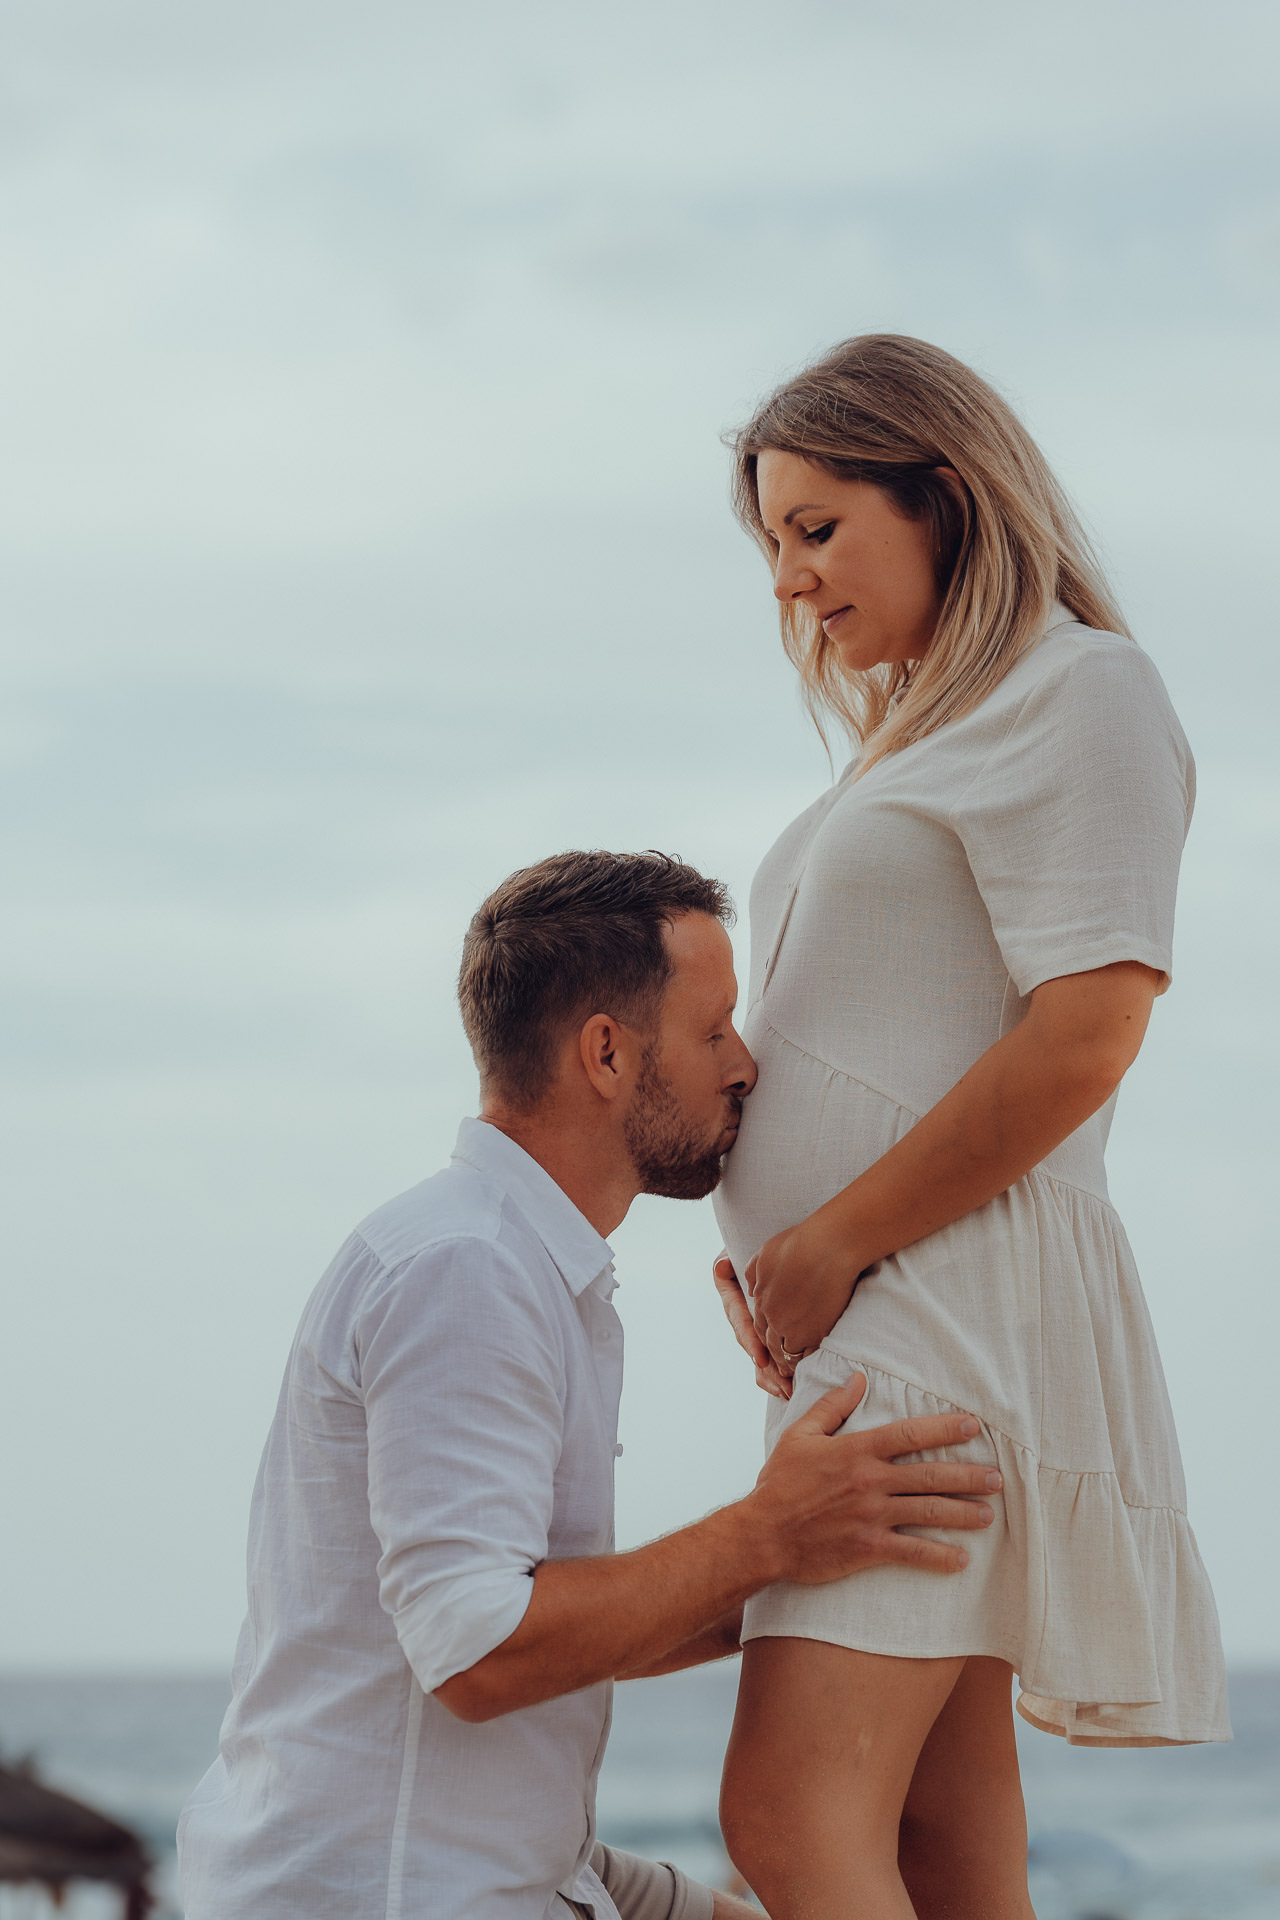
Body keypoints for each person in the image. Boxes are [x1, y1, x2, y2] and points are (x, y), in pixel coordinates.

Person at [177, 849, 1003, 1920]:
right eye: (712, 1031)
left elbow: (523, 1625)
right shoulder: (464, 1271)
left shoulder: (515, 1262)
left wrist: (814, 1585)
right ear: (605, 1054)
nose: (744, 1064)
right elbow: (478, 1650)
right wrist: (766, 1535)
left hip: (517, 1873)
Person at [709, 333, 1232, 1920]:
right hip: (887, 1309)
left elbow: (1092, 1031)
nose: (793, 583)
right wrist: (793, 1262)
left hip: (949, 1304)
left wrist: (832, 1237)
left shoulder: (1085, 689)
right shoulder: (926, 736)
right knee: (943, 1848)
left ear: (945, 497)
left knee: (792, 1815)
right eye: (772, 545)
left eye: (819, 529)